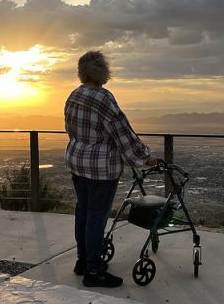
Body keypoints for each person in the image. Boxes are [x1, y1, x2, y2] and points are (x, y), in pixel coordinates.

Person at [64, 51, 158, 288]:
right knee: (97, 217)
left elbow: (71, 129)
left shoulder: (74, 95)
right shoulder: (104, 98)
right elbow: (123, 133)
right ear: (102, 71)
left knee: (83, 213)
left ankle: (83, 261)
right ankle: (94, 272)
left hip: (77, 162)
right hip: (100, 169)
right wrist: (146, 157)